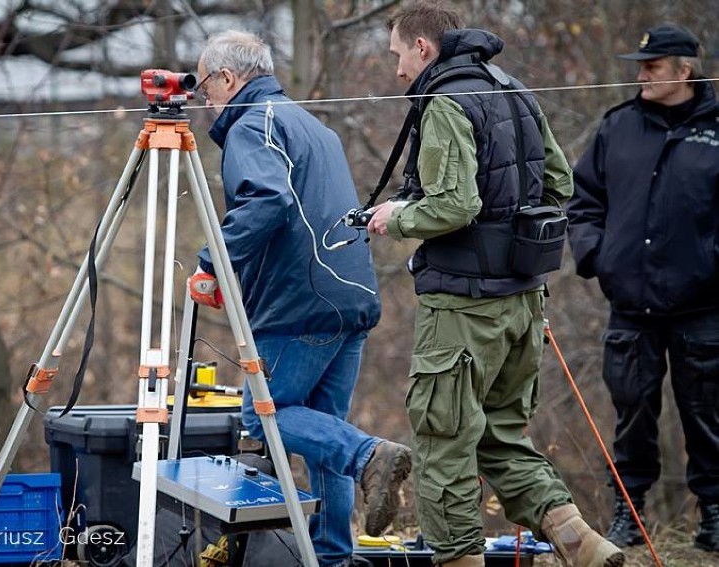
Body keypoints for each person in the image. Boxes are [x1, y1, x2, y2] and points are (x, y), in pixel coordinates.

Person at [367, 2, 625, 566]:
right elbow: (559, 181)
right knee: (501, 438)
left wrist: (395, 218)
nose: (397, 71)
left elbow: (455, 206)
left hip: (463, 307)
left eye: (398, 56)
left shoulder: (444, 101)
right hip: (524, 304)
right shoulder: (513, 89)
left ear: (423, 48)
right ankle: (585, 546)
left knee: (444, 445)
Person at [187, 31, 412, 567]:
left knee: (264, 415)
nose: (203, 101)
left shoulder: (251, 124)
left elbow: (268, 200)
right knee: (323, 427)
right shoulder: (314, 126)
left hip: (299, 303)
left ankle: (369, 455)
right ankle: (334, 556)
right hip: (351, 296)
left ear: (226, 77)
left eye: (203, 88)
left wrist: (212, 262)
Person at [567, 22, 719, 553]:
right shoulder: (618, 128)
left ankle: (715, 523)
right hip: (631, 306)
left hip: (704, 307)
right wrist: (598, 257)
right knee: (632, 415)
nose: (642, 74)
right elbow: (583, 201)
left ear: (685, 71)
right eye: (640, 66)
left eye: (653, 67)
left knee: (708, 415)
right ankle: (629, 519)